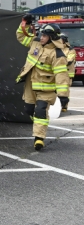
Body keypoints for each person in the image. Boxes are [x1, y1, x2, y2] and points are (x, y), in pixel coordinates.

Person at [16, 16, 69, 151]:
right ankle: (39, 127)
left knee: (40, 111)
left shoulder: (58, 54)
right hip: (30, 85)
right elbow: (21, 37)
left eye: (45, 35)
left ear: (51, 37)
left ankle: (39, 138)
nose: (42, 37)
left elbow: (61, 75)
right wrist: (25, 24)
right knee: (29, 110)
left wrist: (63, 95)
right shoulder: (35, 43)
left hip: (46, 90)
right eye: (41, 34)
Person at [58, 33, 76, 112]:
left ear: (64, 40)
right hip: (58, 73)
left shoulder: (70, 50)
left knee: (65, 90)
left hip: (68, 74)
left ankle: (64, 106)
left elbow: (69, 60)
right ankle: (57, 105)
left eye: (60, 40)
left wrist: (58, 61)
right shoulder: (57, 48)